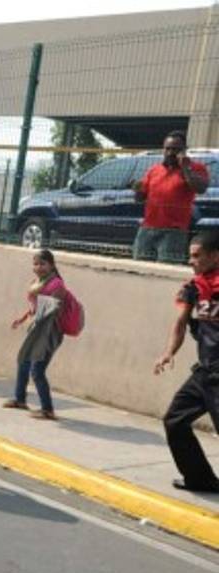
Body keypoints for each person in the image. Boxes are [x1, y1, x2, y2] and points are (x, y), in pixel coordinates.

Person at [156, 231, 219, 492]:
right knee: (175, 420)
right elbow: (181, 321)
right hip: (206, 373)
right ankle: (200, 479)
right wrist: (169, 352)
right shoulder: (194, 287)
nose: (191, 260)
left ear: (215, 256)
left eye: (197, 256)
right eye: (190, 255)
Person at [4, 249, 66, 420]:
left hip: (49, 332)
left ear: (51, 265)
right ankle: (20, 399)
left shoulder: (57, 285)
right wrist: (23, 318)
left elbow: (54, 310)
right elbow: (35, 307)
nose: (39, 267)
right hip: (38, 329)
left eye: (43, 264)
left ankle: (47, 409)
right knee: (23, 361)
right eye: (36, 264)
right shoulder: (38, 282)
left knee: (37, 370)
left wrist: (39, 318)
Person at [134, 131, 210, 264]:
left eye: (175, 149)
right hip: (148, 229)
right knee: (139, 268)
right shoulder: (154, 170)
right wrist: (136, 189)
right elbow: (140, 198)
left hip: (173, 232)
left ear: (184, 150)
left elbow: (200, 188)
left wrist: (185, 168)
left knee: (166, 270)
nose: (170, 152)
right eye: (167, 148)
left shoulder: (196, 168)